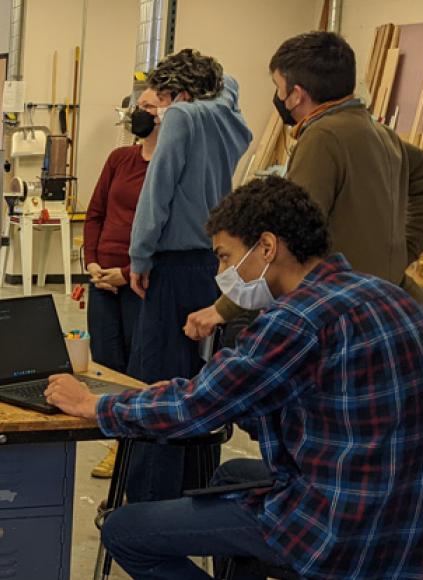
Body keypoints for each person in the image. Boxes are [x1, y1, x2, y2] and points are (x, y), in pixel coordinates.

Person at [45, 177, 423, 580]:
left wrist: (94, 406)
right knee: (229, 482)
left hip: (350, 537)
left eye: (226, 256)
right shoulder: (386, 294)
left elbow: (196, 410)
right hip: (421, 530)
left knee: (126, 530)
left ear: (267, 247)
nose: (224, 274)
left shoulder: (298, 318)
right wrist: (218, 392)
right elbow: (272, 408)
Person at [183, 31, 423, 580]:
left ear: (295, 91)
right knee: (359, 452)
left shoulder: (323, 136)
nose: (279, 99)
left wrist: (221, 307)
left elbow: (276, 238)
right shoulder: (379, 131)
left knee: (316, 459)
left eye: (279, 89)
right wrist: (399, 251)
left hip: (327, 313)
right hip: (378, 302)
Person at [124, 49, 253, 502]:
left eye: (158, 104)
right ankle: (193, 493)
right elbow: (229, 81)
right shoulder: (228, 116)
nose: (157, 115)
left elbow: (156, 194)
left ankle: (148, 502)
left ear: (178, 96)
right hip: (213, 265)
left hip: (173, 265)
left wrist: (139, 257)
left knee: (156, 383)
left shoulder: (182, 119)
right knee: (201, 387)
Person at [82, 91, 159, 478]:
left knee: (135, 367)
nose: (138, 113)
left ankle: (125, 449)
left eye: (148, 107)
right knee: (106, 362)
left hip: (139, 280)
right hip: (102, 276)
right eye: (137, 106)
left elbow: (167, 233)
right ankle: (117, 437)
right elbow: (95, 213)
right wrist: (92, 262)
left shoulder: (167, 166)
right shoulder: (119, 159)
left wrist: (127, 274)